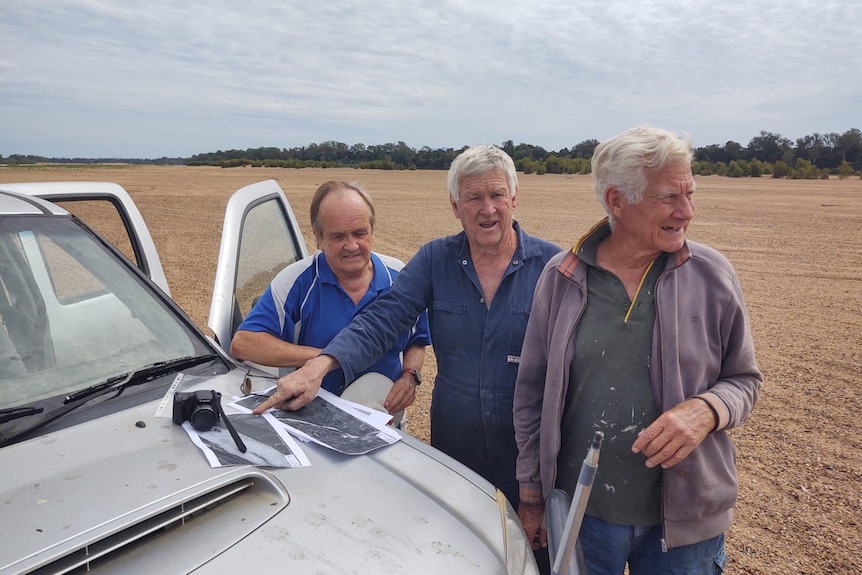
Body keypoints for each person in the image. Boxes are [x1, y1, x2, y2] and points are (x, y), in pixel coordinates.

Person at [254, 145, 561, 510]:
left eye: (496, 194)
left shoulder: (554, 268)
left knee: (535, 553)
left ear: (513, 197)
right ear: (455, 207)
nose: (487, 208)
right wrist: (317, 367)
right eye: (473, 197)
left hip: (529, 452)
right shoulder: (435, 260)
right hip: (456, 449)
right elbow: (382, 320)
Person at [512, 126, 762, 574]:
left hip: (686, 524)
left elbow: (745, 380)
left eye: (690, 194)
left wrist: (706, 410)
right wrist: (532, 495)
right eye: (669, 197)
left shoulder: (711, 275)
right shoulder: (562, 277)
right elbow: (531, 392)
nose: (686, 211)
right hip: (584, 514)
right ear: (616, 201)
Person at [231, 181, 431, 424]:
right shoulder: (296, 282)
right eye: (338, 236)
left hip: (385, 419)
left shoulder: (399, 277)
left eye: (360, 233)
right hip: (313, 426)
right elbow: (244, 343)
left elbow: (417, 340)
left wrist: (410, 375)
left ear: (372, 229)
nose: (352, 246)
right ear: (318, 237)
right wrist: (330, 358)